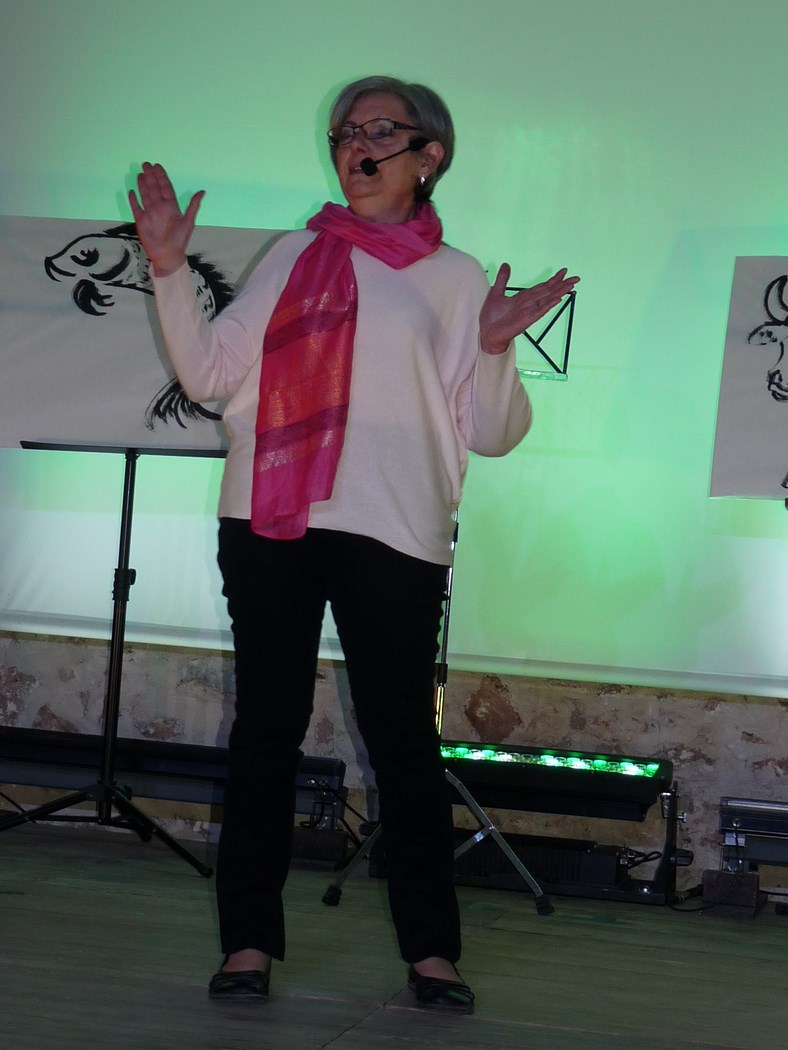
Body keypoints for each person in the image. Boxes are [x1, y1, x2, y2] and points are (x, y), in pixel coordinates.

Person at [129, 74, 578, 1014]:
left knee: (402, 739)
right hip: (272, 520)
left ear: (428, 156)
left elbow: (492, 434)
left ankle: (433, 954)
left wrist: (495, 347)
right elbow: (210, 376)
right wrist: (168, 268)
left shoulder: (457, 278)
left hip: (396, 527)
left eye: (379, 131)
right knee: (267, 728)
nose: (356, 147)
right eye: (345, 132)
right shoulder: (297, 252)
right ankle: (248, 943)